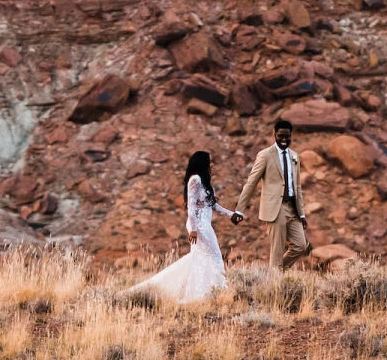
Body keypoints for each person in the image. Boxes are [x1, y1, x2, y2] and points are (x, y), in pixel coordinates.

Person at [129, 150, 237, 303]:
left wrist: (230, 214)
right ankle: (206, 291)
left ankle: (207, 291)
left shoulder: (204, 181)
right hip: (198, 225)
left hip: (204, 224)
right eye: (209, 161)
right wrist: (193, 229)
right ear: (202, 163)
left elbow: (212, 205)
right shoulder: (195, 179)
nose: (211, 164)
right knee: (213, 256)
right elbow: (191, 207)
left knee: (202, 258)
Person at [237, 117, 310, 270]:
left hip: (293, 208)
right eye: (281, 136)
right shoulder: (265, 155)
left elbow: (297, 187)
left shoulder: (295, 156)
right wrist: (239, 210)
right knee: (277, 251)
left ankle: (273, 274)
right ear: (274, 134)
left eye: (287, 136)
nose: (284, 139)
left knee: (301, 246)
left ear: (291, 136)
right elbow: (251, 182)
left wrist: (302, 214)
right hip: (275, 209)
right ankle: (273, 284)